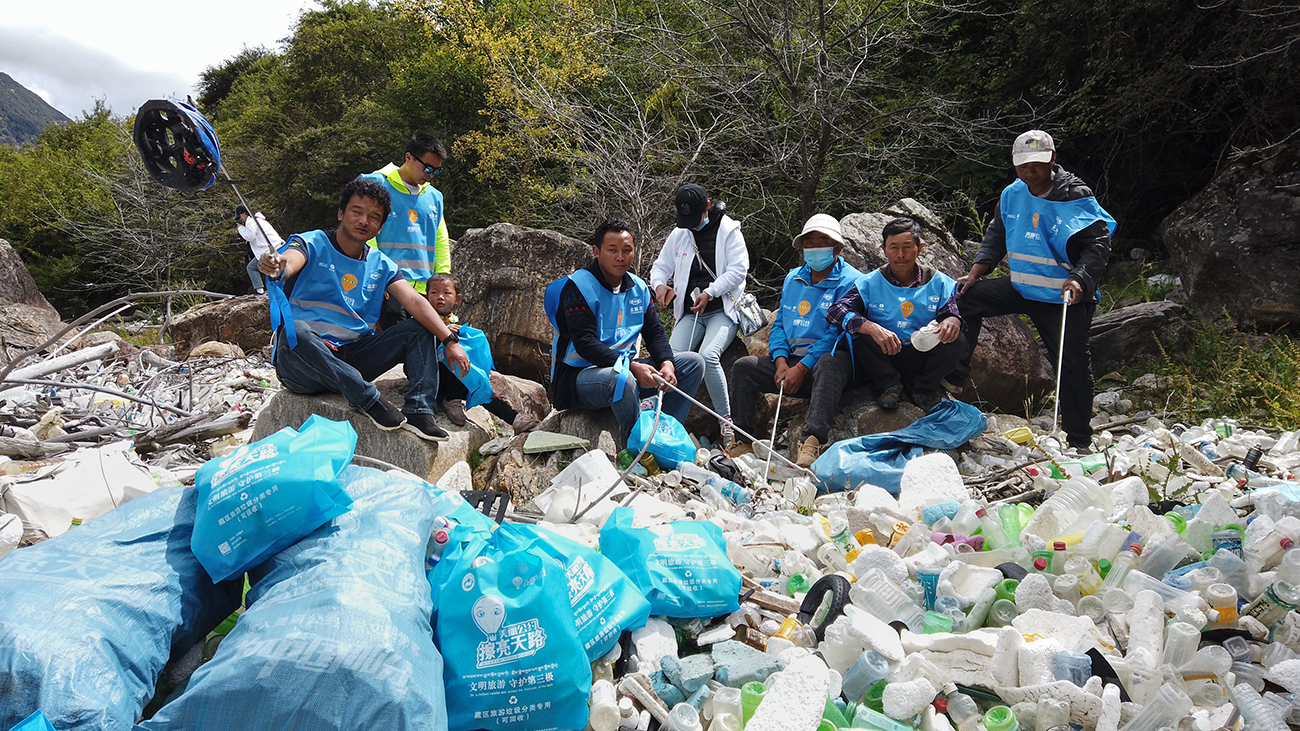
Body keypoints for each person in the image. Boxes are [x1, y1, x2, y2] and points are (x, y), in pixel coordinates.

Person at [258, 177, 470, 442]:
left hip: (353, 356)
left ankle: (419, 411)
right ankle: (368, 399)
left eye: (373, 217)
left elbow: (415, 301)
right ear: (341, 213)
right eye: (356, 212)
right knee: (296, 331)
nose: (363, 221)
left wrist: (449, 340)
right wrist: (276, 266)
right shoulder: (313, 242)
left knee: (420, 326)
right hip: (304, 363)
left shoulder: (381, 264)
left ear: (380, 226)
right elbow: (288, 262)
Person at [952, 130, 1116, 450]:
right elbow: (996, 235)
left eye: (1037, 165)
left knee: (1071, 364)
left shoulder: (1073, 193)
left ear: (1052, 160)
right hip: (1023, 286)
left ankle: (1079, 438)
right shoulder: (1013, 193)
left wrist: (1081, 278)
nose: (1030, 172)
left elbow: (1098, 244)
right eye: (1023, 166)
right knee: (967, 299)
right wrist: (974, 273)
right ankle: (954, 377)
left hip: (1063, 296)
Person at [544, 220, 705, 439]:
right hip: (579, 378)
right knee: (623, 379)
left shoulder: (638, 288)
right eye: (612, 250)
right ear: (596, 252)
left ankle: (665, 434)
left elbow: (654, 332)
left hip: (625, 367)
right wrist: (632, 367)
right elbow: (585, 343)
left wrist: (667, 363)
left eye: (627, 250)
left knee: (693, 364)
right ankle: (638, 442)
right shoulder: (578, 288)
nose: (620, 257)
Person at [728, 214, 864, 468]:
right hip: (792, 361)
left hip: (830, 364)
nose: (814, 247)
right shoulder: (794, 278)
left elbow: (835, 333)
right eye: (809, 242)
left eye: (822, 241)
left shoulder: (851, 281)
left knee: (829, 363)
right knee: (744, 367)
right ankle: (743, 439)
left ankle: (811, 441)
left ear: (838, 247)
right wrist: (780, 362)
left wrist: (801, 369)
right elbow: (780, 322)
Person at [825, 217, 967, 413]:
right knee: (857, 332)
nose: (901, 255)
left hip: (920, 353)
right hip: (884, 355)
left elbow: (950, 311)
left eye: (907, 247)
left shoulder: (938, 281)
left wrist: (952, 320)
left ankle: (923, 389)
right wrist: (872, 328)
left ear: (920, 248)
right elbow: (835, 312)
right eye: (893, 248)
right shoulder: (870, 282)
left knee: (956, 339)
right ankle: (889, 385)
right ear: (883, 249)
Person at [649, 184, 749, 445]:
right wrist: (660, 287)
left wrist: (711, 292)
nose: (690, 226)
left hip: (721, 311)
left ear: (707, 207)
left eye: (694, 219)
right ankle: (661, 419)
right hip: (691, 312)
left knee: (707, 356)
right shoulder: (679, 234)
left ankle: (726, 424)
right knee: (670, 360)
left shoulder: (728, 230)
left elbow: (739, 270)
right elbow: (660, 267)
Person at [425, 272, 541, 434]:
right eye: (434, 292)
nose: (440, 297)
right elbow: (421, 345)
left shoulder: (453, 322)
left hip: (453, 378)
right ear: (427, 296)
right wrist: (443, 333)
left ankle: (514, 419)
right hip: (430, 375)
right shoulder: (421, 318)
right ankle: (451, 399)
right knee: (456, 361)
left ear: (457, 299)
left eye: (446, 293)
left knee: (479, 386)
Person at [361, 134, 452, 330]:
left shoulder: (434, 196)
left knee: (421, 347)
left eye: (437, 170)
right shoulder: (375, 183)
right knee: (392, 344)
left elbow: (440, 239)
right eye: (427, 167)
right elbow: (364, 234)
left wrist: (443, 280)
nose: (431, 174)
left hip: (425, 288)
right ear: (408, 157)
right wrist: (377, 274)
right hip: (389, 284)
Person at [235, 204, 283, 295]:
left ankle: (260, 291)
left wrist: (241, 229)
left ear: (244, 213)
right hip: (278, 246)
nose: (241, 218)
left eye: (240, 216)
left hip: (268, 250)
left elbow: (250, 236)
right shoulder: (260, 219)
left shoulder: (251, 221)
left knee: (252, 268)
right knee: (276, 270)